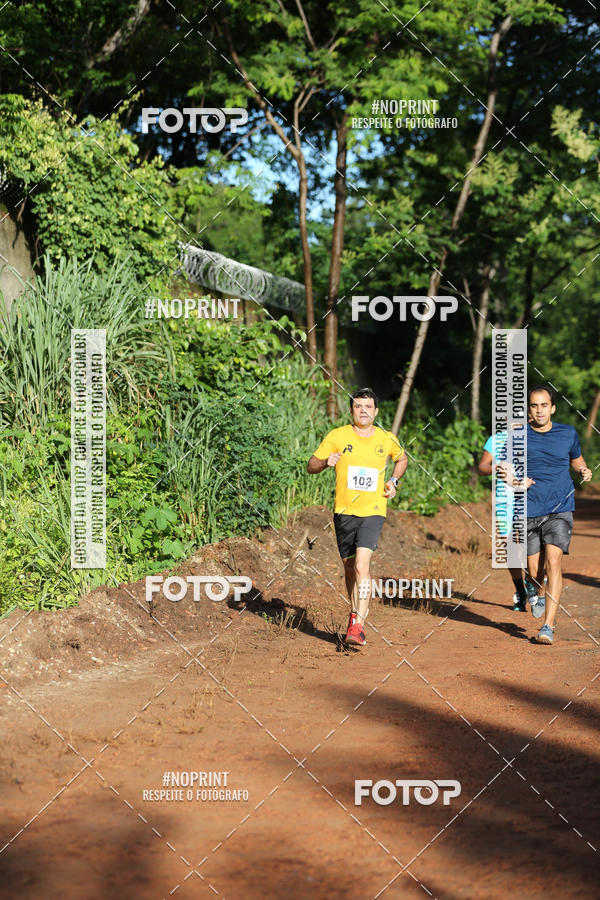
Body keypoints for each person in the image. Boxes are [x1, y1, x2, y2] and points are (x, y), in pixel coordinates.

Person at [307, 388, 408, 647]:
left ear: (376, 411)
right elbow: (311, 465)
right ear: (351, 410)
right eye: (358, 406)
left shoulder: (386, 438)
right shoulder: (337, 436)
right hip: (344, 512)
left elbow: (402, 458)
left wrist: (393, 480)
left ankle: (358, 625)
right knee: (350, 569)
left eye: (368, 406)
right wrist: (325, 462)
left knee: (363, 565)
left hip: (373, 510)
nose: (363, 410)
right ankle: (355, 614)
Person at [525, 385, 592, 644]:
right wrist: (513, 477)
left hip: (560, 507)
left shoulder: (568, 433)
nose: (539, 410)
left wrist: (583, 470)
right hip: (529, 507)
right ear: (529, 410)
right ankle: (537, 592)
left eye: (544, 405)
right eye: (534, 405)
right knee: (533, 570)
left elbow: (576, 459)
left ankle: (548, 626)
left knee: (554, 561)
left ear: (552, 408)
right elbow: (503, 466)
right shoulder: (518, 436)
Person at [478, 426, 544, 615]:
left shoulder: (535, 438)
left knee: (529, 546)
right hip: (504, 501)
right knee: (510, 548)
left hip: (530, 500)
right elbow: (482, 467)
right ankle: (521, 590)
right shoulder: (495, 440)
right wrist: (495, 467)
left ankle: (532, 583)